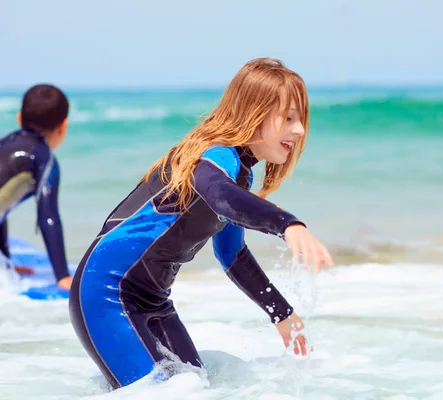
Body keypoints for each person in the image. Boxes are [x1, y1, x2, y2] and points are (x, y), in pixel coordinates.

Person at [69, 57, 334, 389]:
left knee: (198, 387)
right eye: (289, 117)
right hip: (107, 293)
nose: (299, 129)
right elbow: (223, 196)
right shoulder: (215, 156)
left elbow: (233, 256)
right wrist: (287, 224)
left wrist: (281, 313)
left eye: (302, 119)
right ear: (255, 111)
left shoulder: (238, 171)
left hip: (155, 302)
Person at [0, 84, 72, 291]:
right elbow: (48, 217)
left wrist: (6, 263)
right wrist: (62, 276)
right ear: (63, 126)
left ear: (19, 118)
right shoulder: (44, 160)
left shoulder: (4, 143)